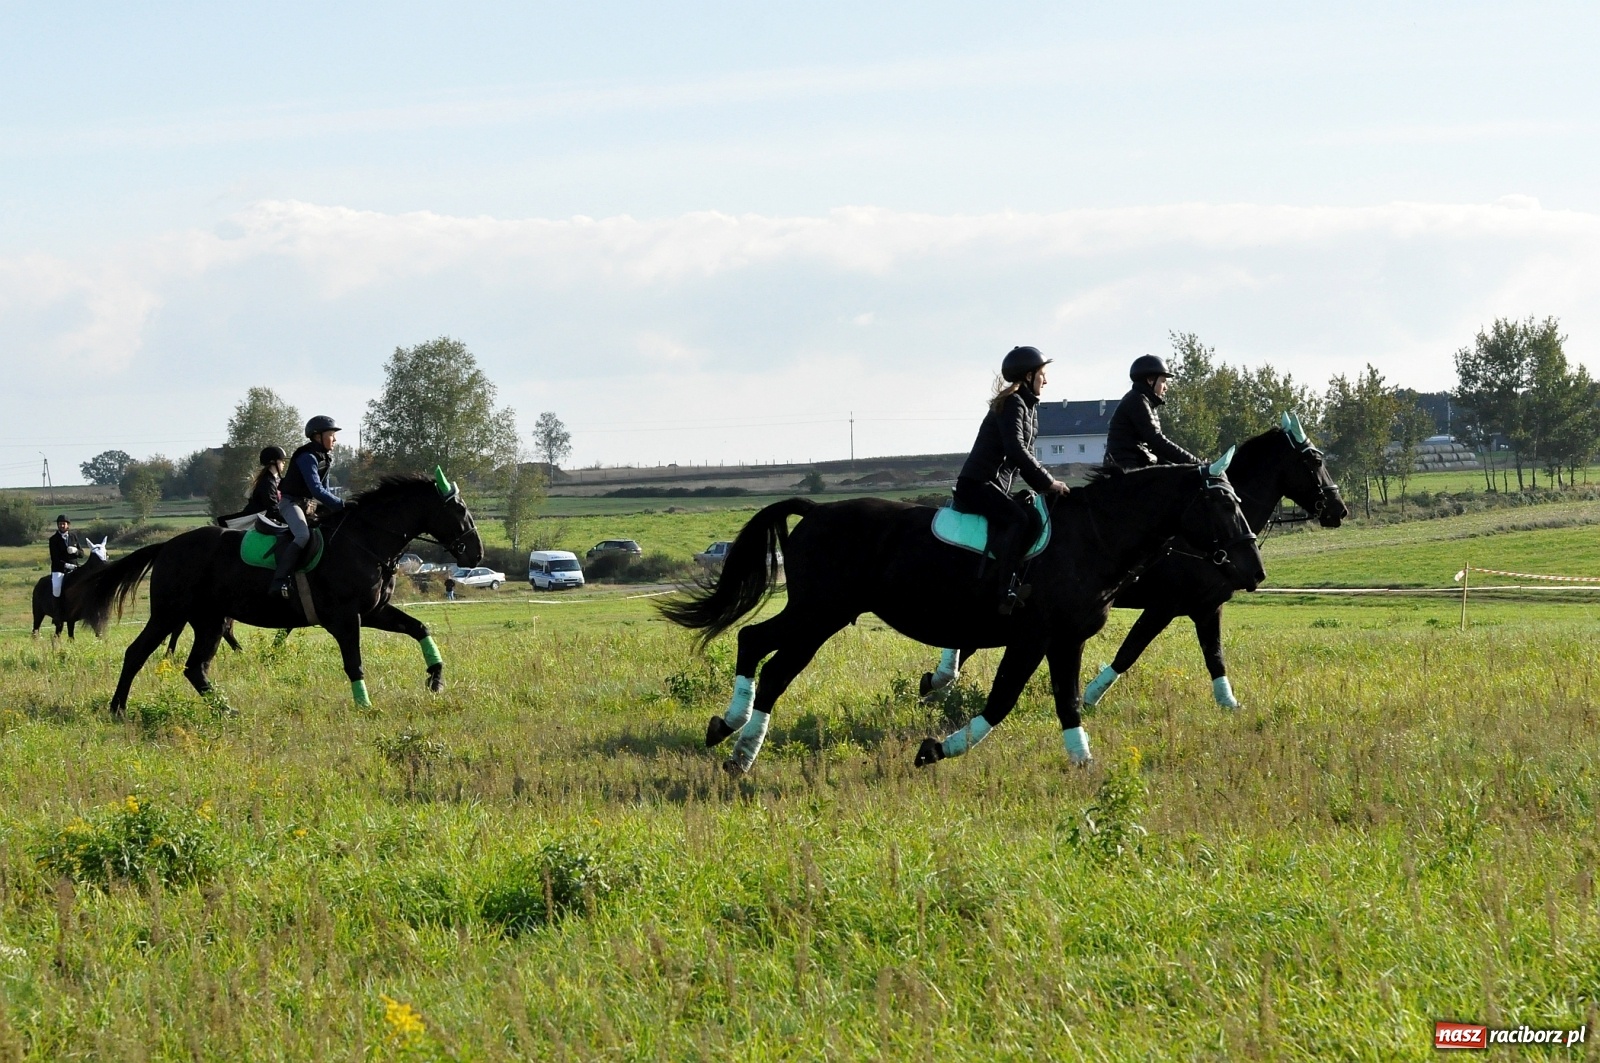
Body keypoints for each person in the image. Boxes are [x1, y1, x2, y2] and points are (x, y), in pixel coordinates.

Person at [953, 345, 1071, 614]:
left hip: (992, 487)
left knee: (1031, 516)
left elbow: (1025, 456)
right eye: (1042, 374)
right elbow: (1016, 450)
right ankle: (1005, 588)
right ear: (1029, 376)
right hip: (977, 485)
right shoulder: (1013, 403)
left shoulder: (1028, 408)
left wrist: (1044, 486)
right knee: (1019, 519)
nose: (1046, 381)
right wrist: (1048, 483)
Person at [270, 416, 347, 597]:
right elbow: (317, 489)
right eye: (331, 435)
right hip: (290, 503)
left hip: (309, 505)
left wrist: (340, 510)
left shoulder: (325, 458)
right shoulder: (307, 457)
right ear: (318, 436)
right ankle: (280, 580)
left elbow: (325, 491)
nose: (335, 439)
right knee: (303, 535)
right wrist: (342, 505)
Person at [1104, 354, 1199, 469]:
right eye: (1163, 381)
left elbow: (1156, 449)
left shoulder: (1143, 400)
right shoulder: (1137, 401)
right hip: (1126, 467)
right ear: (1150, 380)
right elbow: (1156, 440)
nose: (1166, 388)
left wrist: (1188, 464)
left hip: (1136, 463)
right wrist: (1196, 463)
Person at [217, 445, 286, 527]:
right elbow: (272, 510)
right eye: (282, 460)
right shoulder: (268, 482)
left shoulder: (272, 480)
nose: (284, 463)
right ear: (273, 462)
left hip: (264, 520)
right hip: (257, 522)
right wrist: (292, 522)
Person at [47, 514, 85, 600]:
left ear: (68, 525)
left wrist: (76, 551)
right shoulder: (53, 539)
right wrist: (66, 565)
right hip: (59, 570)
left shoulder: (73, 536)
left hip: (75, 568)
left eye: (64, 524)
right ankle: (57, 606)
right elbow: (54, 558)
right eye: (60, 524)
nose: (62, 526)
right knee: (56, 589)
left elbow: (82, 554)